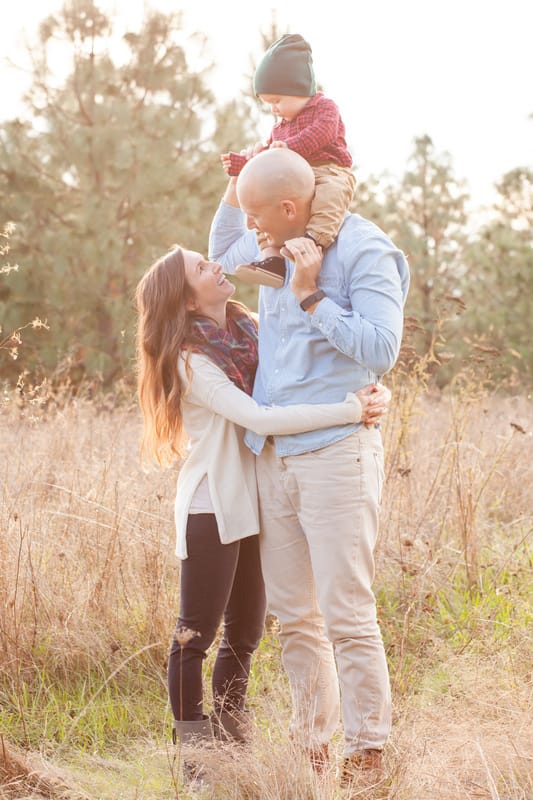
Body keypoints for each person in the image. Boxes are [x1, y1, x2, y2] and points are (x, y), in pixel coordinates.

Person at [134, 245, 391, 761]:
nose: (216, 265)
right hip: (213, 508)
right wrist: (348, 409)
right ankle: (195, 759)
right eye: (201, 268)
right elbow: (261, 418)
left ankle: (231, 747)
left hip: (256, 502)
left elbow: (297, 381)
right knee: (194, 637)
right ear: (185, 301)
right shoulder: (192, 360)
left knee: (246, 635)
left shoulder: (248, 331)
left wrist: (371, 393)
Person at [209, 147, 410, 788]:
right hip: (274, 457)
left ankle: (367, 752)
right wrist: (242, 174)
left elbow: (382, 350)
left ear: (291, 209)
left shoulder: (366, 250)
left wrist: (310, 296)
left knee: (347, 611)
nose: (253, 233)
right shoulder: (271, 242)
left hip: (336, 455)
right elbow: (220, 252)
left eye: (259, 217)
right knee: (295, 615)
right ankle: (311, 745)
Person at [221, 33, 356, 288]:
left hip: (326, 169)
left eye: (276, 100)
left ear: (297, 88)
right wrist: (244, 164)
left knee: (332, 195)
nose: (273, 109)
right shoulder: (278, 128)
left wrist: (287, 148)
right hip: (290, 179)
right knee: (262, 206)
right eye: (268, 104)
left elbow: (320, 134)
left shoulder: (325, 108)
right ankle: (271, 260)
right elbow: (267, 160)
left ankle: (313, 241)